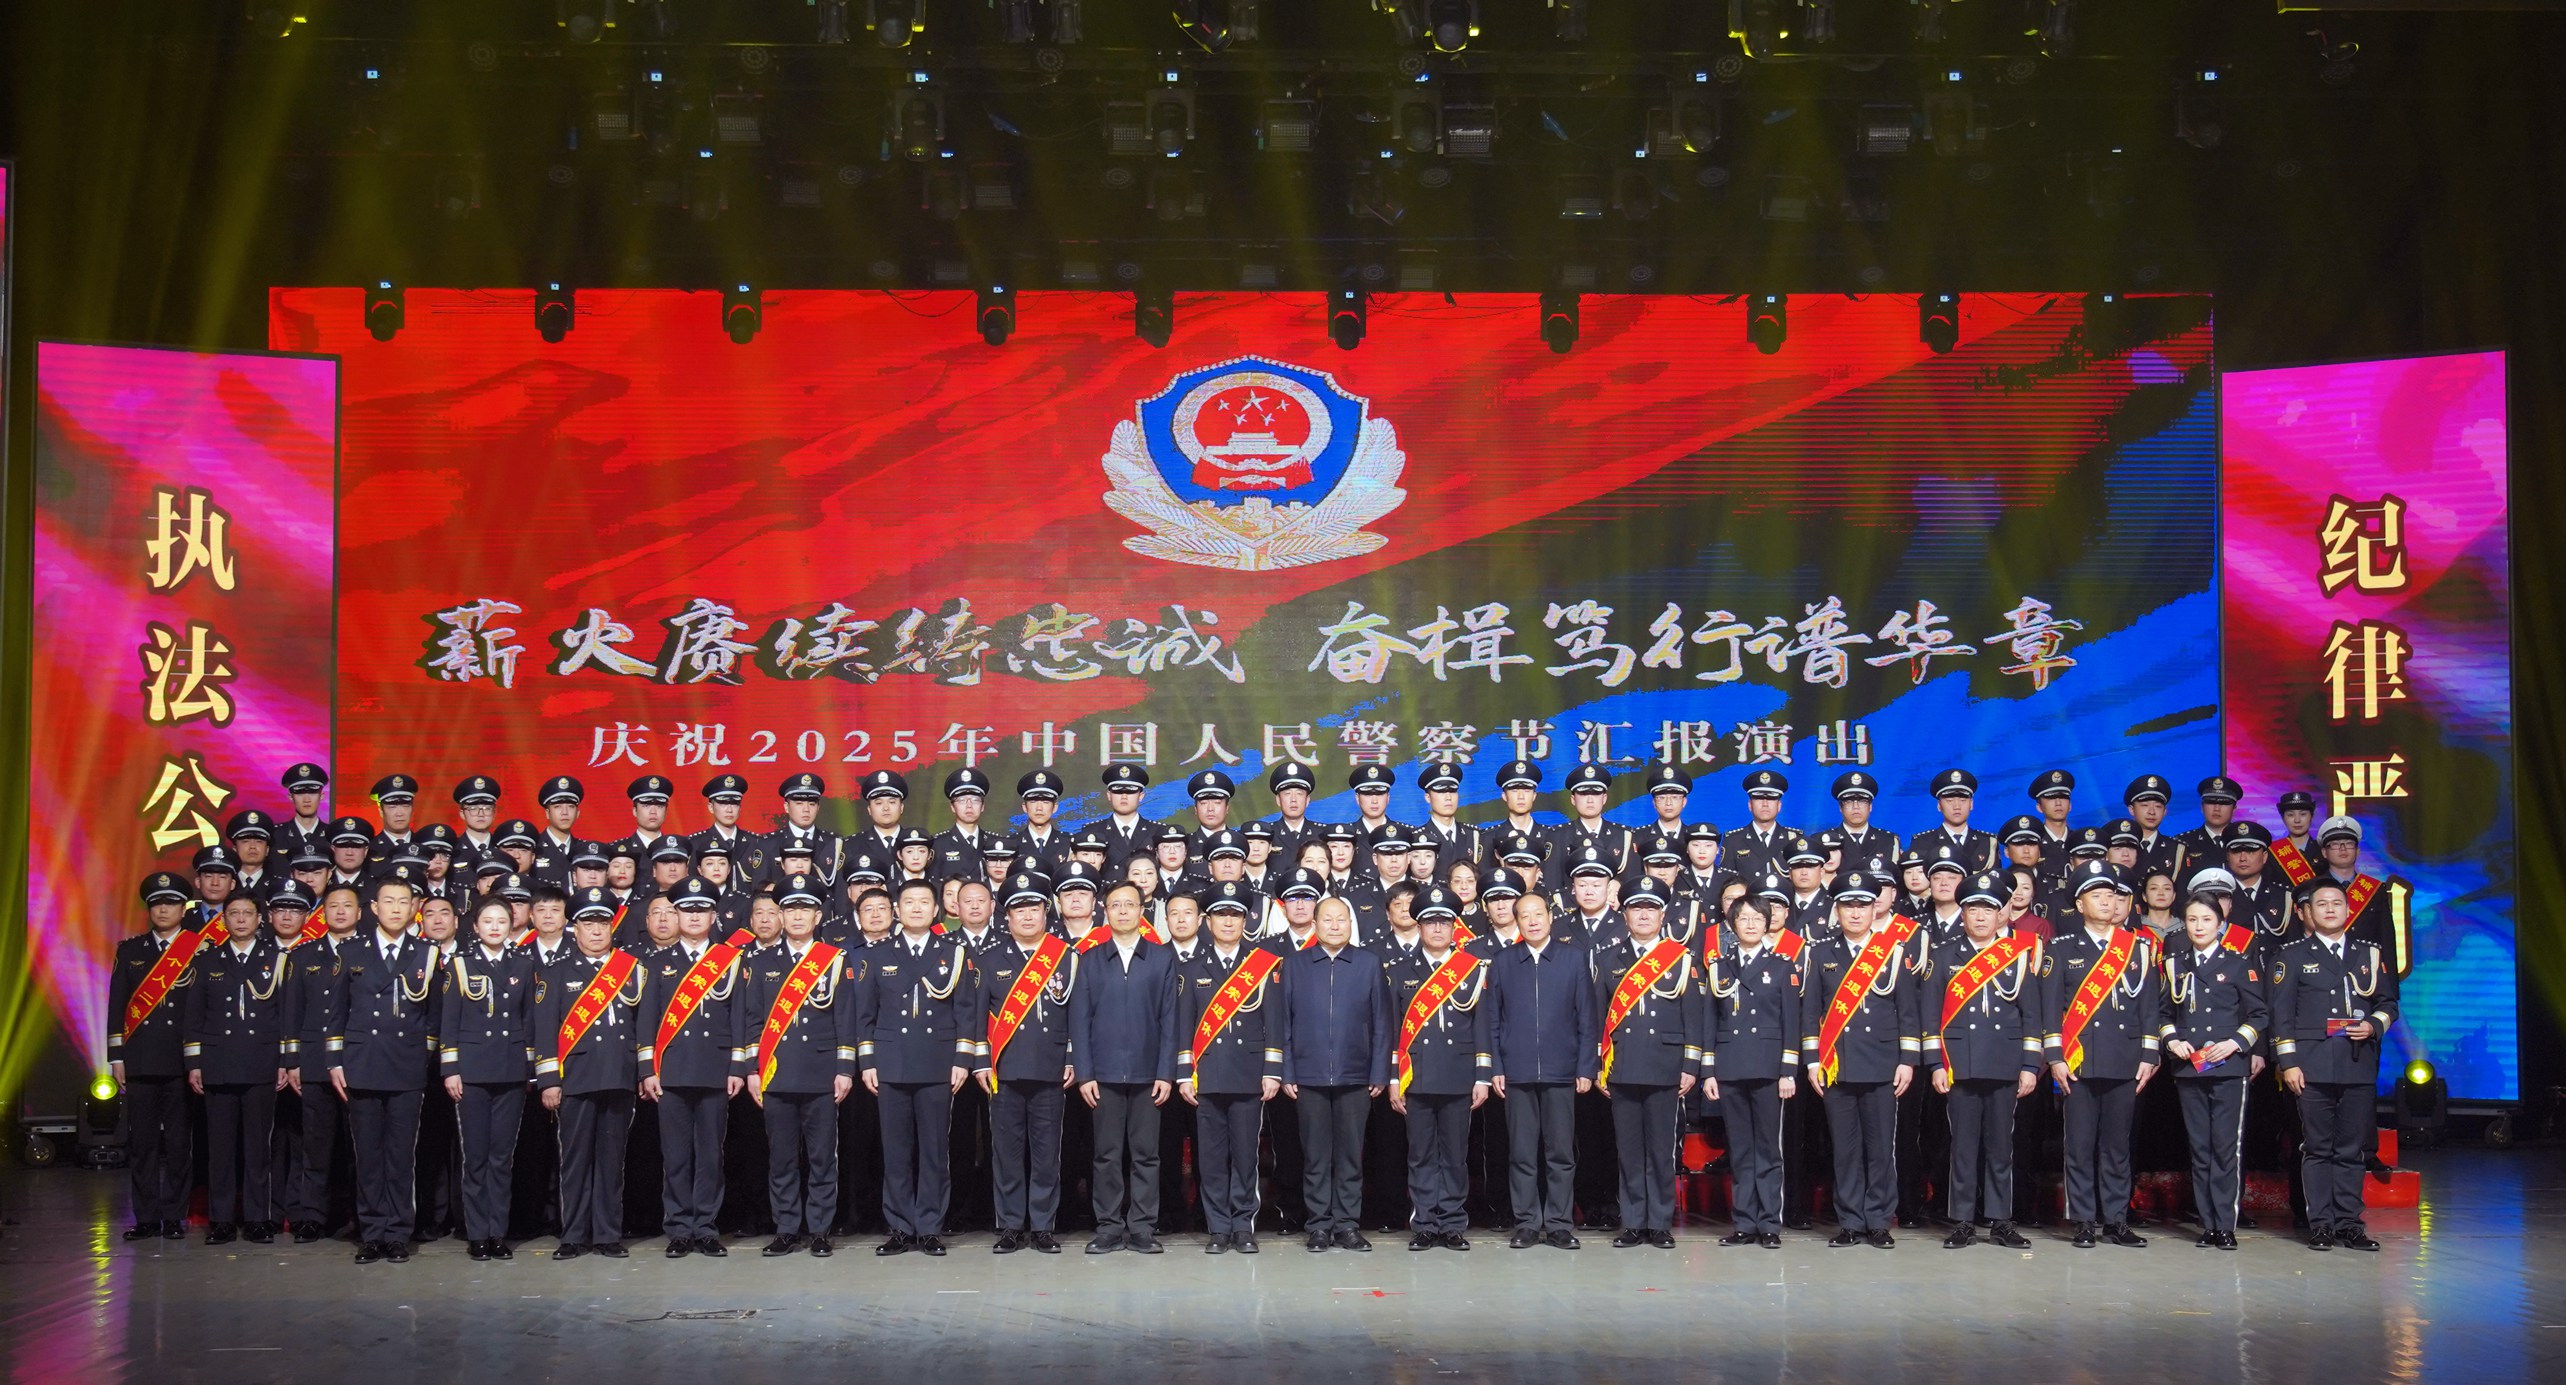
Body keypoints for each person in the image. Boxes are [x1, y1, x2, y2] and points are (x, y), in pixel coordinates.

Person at [2271, 878, 2399, 1252]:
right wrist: (2288, 1063)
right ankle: (2321, 1225)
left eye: (2337, 903)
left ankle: (2349, 1224)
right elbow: (2281, 1016)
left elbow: (2388, 1004)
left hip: (2357, 1063)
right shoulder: (2292, 955)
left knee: (2351, 1149)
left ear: (2348, 909)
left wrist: (2373, 1025)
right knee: (2316, 1148)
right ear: (2308, 912)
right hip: (2311, 1065)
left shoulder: (2368, 953)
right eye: (2322, 903)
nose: (2330, 909)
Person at [2043, 861, 2162, 1250]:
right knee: (2079, 1144)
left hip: (2125, 1058)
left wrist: (2149, 1053)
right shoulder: (2061, 949)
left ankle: (2116, 1220)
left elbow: (2149, 1007)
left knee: (2117, 1145)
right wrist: (2055, 1057)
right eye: (2098, 896)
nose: (2108, 902)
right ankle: (2082, 1220)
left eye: (2112, 895)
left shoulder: (2138, 948)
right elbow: (2050, 1009)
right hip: (2078, 1060)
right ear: (2080, 905)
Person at [1921, 873, 2042, 1250]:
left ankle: (2001, 1220)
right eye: (1973, 909)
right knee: (1962, 1145)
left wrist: (2030, 1066)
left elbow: (2031, 1016)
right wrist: (1935, 1064)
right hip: (1960, 1065)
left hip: (2005, 1064)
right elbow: (1930, 1016)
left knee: (2001, 1146)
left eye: (1988, 910)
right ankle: (1962, 1220)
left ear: (2001, 914)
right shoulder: (1944, 955)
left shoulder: (2017, 955)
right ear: (1963, 913)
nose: (1980, 917)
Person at [1800, 872, 1920, 1249]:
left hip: (1883, 1064)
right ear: (1837, 910)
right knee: (1846, 1149)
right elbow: (1810, 1013)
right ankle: (1850, 1221)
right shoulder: (1821, 952)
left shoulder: (1894, 951)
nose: (1855, 913)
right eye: (1848, 906)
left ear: (1874, 909)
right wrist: (1812, 1062)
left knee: (1881, 1148)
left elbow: (1908, 1012)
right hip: (1838, 1065)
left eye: (1862, 905)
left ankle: (1879, 1221)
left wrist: (1907, 1060)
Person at [857, 878, 977, 1257]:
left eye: (924, 902)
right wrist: (867, 1062)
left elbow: (966, 1012)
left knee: (934, 1151)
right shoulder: (878, 954)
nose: (916, 908)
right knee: (895, 1151)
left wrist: (962, 1060)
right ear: (897, 910)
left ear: (936, 909)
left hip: (937, 1062)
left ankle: (929, 1227)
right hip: (891, 1063)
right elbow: (865, 1015)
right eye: (909, 902)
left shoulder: (952, 953)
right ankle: (899, 1227)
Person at [744, 874, 857, 1257]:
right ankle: (787, 1228)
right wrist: (753, 1071)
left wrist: (845, 1069)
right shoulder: (761, 962)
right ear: (780, 915)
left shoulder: (834, 960)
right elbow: (753, 1021)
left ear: (818, 915)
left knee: (823, 1157)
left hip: (821, 1072)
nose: (796, 916)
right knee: (782, 1158)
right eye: (790, 909)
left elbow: (845, 1019)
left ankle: (820, 1229)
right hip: (776, 1073)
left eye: (804, 909)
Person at [329, 877, 439, 1264]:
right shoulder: (351, 950)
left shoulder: (426, 952)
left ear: (414, 909)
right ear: (373, 908)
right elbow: (336, 1011)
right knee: (368, 1154)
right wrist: (335, 1061)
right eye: (388, 901)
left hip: (406, 1064)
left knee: (401, 1154)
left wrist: (422, 1056)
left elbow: (433, 1017)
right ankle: (372, 1232)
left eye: (403, 902)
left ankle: (398, 1233)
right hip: (362, 1063)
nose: (395, 908)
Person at [534, 888, 646, 1260]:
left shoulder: (632, 969)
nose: (596, 931)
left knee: (612, 1161)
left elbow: (642, 1026)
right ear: (575, 928)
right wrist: (549, 1080)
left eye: (602, 923)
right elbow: (545, 1031)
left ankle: (607, 1234)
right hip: (576, 1078)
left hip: (618, 1076)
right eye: (588, 923)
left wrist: (641, 1072)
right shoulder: (557, 972)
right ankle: (573, 1235)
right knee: (575, 1160)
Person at [641, 877, 749, 1260]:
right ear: (676, 915)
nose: (694, 916)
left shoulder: (729, 960)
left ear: (714, 916)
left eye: (701, 909)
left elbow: (739, 1017)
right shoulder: (657, 963)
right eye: (686, 909)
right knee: (675, 1155)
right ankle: (678, 1229)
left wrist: (737, 1066)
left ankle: (705, 1228)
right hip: (670, 1071)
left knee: (710, 1154)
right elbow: (647, 1020)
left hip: (715, 1068)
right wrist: (647, 1069)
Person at [1589, 879, 1700, 1249]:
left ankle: (1660, 1223)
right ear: (1625, 915)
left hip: (1665, 1065)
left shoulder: (1680, 959)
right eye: (1636, 908)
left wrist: (1690, 1064)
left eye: (1651, 908)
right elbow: (1598, 1019)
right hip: (1622, 1066)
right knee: (1630, 1150)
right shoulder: (1609, 960)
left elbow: (1692, 1017)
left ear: (1662, 915)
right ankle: (1634, 1222)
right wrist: (1598, 1066)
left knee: (1661, 1150)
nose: (1643, 915)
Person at [1071, 882, 1180, 1254]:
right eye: (1115, 905)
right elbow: (1080, 1021)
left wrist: (1166, 1073)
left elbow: (1170, 1020)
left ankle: (1143, 1227)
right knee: (1106, 1155)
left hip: (1149, 1075)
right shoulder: (1090, 959)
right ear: (1105, 911)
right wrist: (1085, 1074)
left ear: (1141, 910)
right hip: (1103, 1075)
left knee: (1146, 1154)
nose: (1122, 911)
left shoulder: (1161, 958)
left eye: (1129, 905)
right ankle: (1108, 1227)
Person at [1485, 891, 1598, 1250]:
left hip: (1561, 1071)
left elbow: (1587, 1018)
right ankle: (1527, 1222)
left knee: (1560, 1152)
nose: (1532, 921)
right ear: (1516, 921)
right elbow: (1493, 1020)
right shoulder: (1503, 961)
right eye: (1524, 915)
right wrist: (1496, 1065)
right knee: (1521, 1152)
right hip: (1516, 1072)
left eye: (1538, 914)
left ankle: (1560, 1223)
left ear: (1550, 917)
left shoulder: (1572, 958)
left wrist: (1586, 1067)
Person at [1279, 896, 1392, 1252]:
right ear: (1314, 924)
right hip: (1308, 1075)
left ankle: (1347, 1225)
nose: (1334, 925)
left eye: (1341, 919)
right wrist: (1287, 1071)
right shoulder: (1295, 964)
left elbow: (1382, 1023)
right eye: (1327, 919)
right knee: (1315, 1156)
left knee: (1349, 1156)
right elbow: (1284, 1023)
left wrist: (1379, 1071)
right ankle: (1318, 1225)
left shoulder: (1368, 963)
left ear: (1350, 924)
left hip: (1355, 1075)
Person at [2158, 893, 2270, 1250]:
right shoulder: (2175, 964)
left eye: (2206, 920)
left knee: (2225, 1148)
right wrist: (2172, 1040)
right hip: (2190, 1067)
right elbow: (2163, 1014)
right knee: (2200, 1147)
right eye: (2192, 920)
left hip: (2227, 1067)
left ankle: (2225, 1224)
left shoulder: (2238, 963)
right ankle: (2207, 1224)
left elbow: (2259, 1015)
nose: (2199, 926)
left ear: (2220, 924)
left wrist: (2236, 1043)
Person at [1384, 885, 1490, 1252]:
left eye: (1444, 922)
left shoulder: (1472, 970)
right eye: (1430, 922)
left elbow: (1482, 1026)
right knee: (1421, 1155)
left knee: (1455, 1156)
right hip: (1417, 1077)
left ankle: (1453, 1224)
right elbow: (1393, 1031)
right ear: (1419, 926)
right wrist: (1394, 1079)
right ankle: (1425, 1224)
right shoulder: (1401, 971)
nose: (1438, 929)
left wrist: (1482, 1076)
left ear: (1454, 926)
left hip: (1459, 1077)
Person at [977, 873, 1079, 1255]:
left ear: (1045, 912)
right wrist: (980, 1063)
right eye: (1018, 909)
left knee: (1046, 1153)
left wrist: (1072, 1057)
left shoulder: (1066, 956)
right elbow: (976, 1019)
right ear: (1006, 916)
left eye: (1033, 908)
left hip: (1051, 1067)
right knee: (1006, 1153)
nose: (1026, 916)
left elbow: (1076, 1014)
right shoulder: (989, 960)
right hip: (1003, 1070)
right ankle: (1010, 1226)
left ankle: (1042, 1226)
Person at [1178, 889, 1284, 1254]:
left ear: (1245, 921)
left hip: (1248, 1075)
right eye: (1220, 915)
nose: (1227, 922)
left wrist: (1272, 1070)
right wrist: (1184, 1073)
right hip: (1206, 1076)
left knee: (1245, 1156)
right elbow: (1184, 1026)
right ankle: (1218, 1228)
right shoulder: (1192, 968)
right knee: (1210, 1158)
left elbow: (1275, 1023)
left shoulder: (1263, 965)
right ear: (1208, 922)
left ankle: (1243, 1226)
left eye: (1235, 915)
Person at [184, 892, 290, 1245]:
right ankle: (222, 1221)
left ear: (260, 919)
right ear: (223, 919)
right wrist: (194, 1063)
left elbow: (284, 1016)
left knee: (258, 1149)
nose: (241, 919)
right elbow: (194, 1017)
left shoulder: (276, 959)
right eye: (234, 913)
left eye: (248, 913)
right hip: (219, 1064)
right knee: (220, 1149)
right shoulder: (207, 961)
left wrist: (284, 1061)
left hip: (262, 1063)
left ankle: (258, 1220)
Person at [440, 896, 538, 1261]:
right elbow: (449, 1021)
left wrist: (529, 1069)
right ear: (475, 926)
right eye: (488, 921)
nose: (495, 927)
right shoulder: (460, 965)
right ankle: (477, 1233)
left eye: (502, 921)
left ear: (511, 925)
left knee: (501, 1156)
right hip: (472, 1070)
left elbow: (528, 1020)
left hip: (511, 1069)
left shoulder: (523, 965)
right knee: (475, 1156)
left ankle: (498, 1233)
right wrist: (451, 1069)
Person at [109, 873, 206, 1242]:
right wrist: (116, 1057)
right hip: (141, 1060)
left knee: (180, 1145)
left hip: (181, 1061)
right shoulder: (130, 951)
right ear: (149, 909)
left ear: (184, 908)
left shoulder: (199, 948)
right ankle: (147, 1217)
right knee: (143, 1145)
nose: (163, 909)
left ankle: (175, 1216)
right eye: (157, 903)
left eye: (171, 903)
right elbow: (117, 1006)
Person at [1705, 894, 1798, 1248]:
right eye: (1743, 918)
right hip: (1730, 1067)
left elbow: (1791, 1023)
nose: (1750, 924)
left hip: (1768, 1068)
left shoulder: (1782, 966)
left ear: (1767, 924)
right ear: (1732, 924)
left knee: (1769, 1150)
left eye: (1757, 919)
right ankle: (1744, 1223)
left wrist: (1788, 1070)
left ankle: (1770, 1224)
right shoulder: (1719, 966)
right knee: (1741, 1150)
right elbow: (1710, 1021)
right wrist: (1709, 1071)